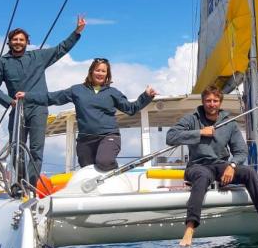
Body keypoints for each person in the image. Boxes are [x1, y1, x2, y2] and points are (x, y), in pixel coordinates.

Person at [166, 85, 258, 247]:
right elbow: (171, 137)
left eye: (215, 101)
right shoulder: (192, 119)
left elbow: (241, 151)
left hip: (221, 165)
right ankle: (190, 229)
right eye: (208, 101)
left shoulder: (229, 123)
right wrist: (200, 133)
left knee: (248, 172)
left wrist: (232, 165)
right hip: (197, 166)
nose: (212, 104)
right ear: (203, 102)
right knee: (202, 176)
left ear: (220, 102)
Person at [0, 16, 86, 187]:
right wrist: (9, 102)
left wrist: (77, 32)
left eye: (21, 39)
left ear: (27, 42)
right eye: (15, 39)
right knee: (17, 147)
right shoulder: (2, 63)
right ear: (9, 42)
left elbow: (60, 49)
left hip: (39, 108)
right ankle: (18, 184)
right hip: (18, 109)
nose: (18, 42)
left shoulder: (38, 56)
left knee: (36, 149)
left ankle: (31, 185)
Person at [17, 58, 156, 172]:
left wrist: (146, 96)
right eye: (97, 70)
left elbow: (131, 109)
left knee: (104, 161)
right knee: (88, 171)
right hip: (85, 140)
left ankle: (116, 174)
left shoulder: (113, 92)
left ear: (107, 75)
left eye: (103, 71)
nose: (100, 73)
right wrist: (28, 96)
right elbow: (52, 97)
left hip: (108, 136)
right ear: (91, 72)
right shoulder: (77, 90)